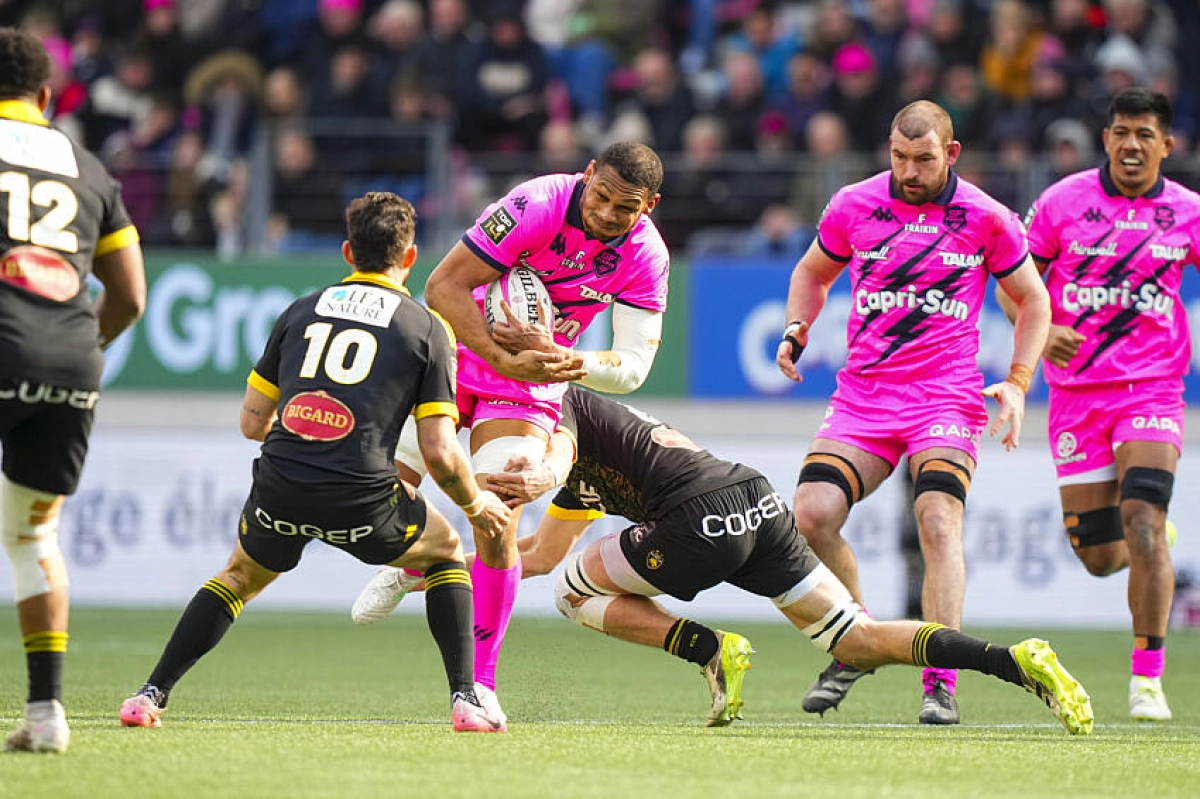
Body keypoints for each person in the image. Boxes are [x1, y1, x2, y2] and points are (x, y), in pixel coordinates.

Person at [355, 386, 1094, 733]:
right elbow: (535, 552)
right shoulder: (571, 438)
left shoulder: (556, 410)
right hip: (753, 498)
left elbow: (557, 472)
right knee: (857, 639)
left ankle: (710, 647)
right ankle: (1013, 660)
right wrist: (439, 567)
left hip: (694, 517)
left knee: (575, 595)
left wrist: (519, 488)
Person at [117, 192, 512, 733]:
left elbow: (253, 423)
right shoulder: (426, 328)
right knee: (445, 553)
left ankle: (149, 694)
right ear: (412, 256)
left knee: (236, 577)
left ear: (348, 251)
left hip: (281, 489)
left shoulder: (300, 310)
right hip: (365, 500)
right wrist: (475, 503)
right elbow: (441, 452)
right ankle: (465, 699)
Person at [353, 141, 670, 728]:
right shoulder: (536, 203)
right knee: (377, 499)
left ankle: (479, 686)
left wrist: (564, 361)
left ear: (648, 205)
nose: (605, 214)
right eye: (601, 196)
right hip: (450, 358)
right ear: (589, 174)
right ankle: (422, 561)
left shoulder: (647, 256)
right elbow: (443, 287)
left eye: (624, 208)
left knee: (499, 512)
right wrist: (502, 353)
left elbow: (633, 368)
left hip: (529, 382)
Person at [774, 100, 1052, 725]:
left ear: (950, 154)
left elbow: (1033, 301)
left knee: (937, 522)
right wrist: (797, 327)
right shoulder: (854, 204)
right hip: (865, 395)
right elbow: (812, 272)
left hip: (945, 397)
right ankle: (861, 642)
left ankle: (940, 679)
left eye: (923, 160)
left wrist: (1017, 381)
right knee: (811, 515)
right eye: (899, 157)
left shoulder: (987, 216)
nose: (909, 171)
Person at [998, 87, 1199, 722]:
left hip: (1153, 388)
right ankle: (1150, 539)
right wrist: (1040, 328)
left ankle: (1147, 682)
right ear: (1106, 139)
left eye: (1145, 134)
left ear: (1167, 144)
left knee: (1141, 515)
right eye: (1121, 133)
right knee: (1101, 557)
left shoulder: (1188, 211)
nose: (1132, 145)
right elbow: (1013, 281)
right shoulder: (1062, 203)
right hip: (1077, 397)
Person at [0, 28, 146, 755]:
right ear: (47, 97)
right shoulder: (88, 166)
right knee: (33, 535)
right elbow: (130, 294)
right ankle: (46, 713)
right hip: (69, 357)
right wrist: (80, 347)